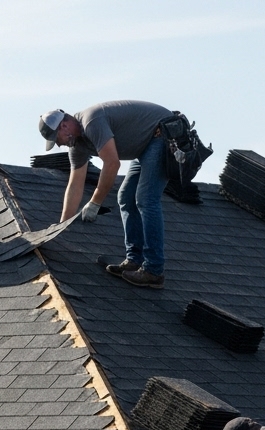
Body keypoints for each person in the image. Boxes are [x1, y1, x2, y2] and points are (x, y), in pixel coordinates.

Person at [39, 100, 174, 289]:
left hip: (163, 134)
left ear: (64, 125)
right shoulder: (77, 145)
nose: (59, 145)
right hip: (145, 147)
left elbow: (112, 164)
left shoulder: (91, 122)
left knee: (145, 199)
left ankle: (154, 271)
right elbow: (75, 183)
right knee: (126, 198)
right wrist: (63, 225)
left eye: (57, 139)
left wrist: (95, 202)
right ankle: (134, 260)